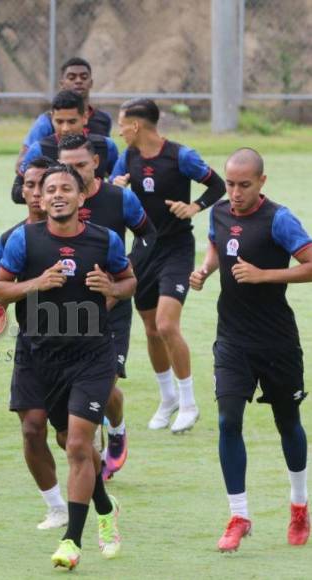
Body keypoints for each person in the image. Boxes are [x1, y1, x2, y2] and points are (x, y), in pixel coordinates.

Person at [0, 164, 135, 569]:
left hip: (90, 355)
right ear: (38, 197)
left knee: (76, 444)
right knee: (37, 431)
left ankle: (72, 540)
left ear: (81, 196)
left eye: (65, 189)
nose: (56, 194)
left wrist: (113, 288)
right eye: (49, 188)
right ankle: (105, 508)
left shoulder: (104, 240)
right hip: (37, 355)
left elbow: (129, 282)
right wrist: (34, 284)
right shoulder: (23, 240)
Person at [190, 148, 311, 551]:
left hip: (277, 341)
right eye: (230, 184)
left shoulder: (279, 218)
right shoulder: (220, 212)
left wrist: (265, 275)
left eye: (245, 185)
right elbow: (215, 244)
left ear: (262, 182)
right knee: (227, 421)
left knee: (288, 423)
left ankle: (298, 506)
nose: (236, 192)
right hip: (232, 340)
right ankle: (238, 515)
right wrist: (206, 269)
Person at [111, 97, 226, 433]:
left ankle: (189, 403)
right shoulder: (128, 157)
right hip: (143, 249)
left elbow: (217, 185)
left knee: (165, 324)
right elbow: (111, 190)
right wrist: (116, 187)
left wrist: (194, 206)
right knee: (149, 327)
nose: (119, 131)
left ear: (135, 125)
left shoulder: (180, 156)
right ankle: (168, 398)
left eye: (122, 124)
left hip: (176, 248)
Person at [59, 134, 156, 480]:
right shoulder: (56, 199)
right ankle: (93, 457)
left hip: (112, 307)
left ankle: (115, 431)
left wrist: (120, 278)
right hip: (69, 312)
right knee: (79, 388)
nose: (74, 172)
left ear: (96, 162)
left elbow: (148, 236)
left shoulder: (119, 198)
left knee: (101, 385)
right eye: (67, 165)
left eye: (81, 165)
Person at [12, 90, 118, 203]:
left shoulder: (106, 146)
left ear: (85, 117)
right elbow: (17, 192)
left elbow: (117, 183)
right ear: (52, 118)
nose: (65, 128)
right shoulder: (39, 149)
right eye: (59, 121)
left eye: (72, 122)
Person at [16, 57, 112, 171]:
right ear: (62, 83)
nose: (78, 81)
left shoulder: (104, 119)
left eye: (84, 77)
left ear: (91, 82)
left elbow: (107, 162)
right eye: (72, 77)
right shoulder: (44, 122)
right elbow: (21, 164)